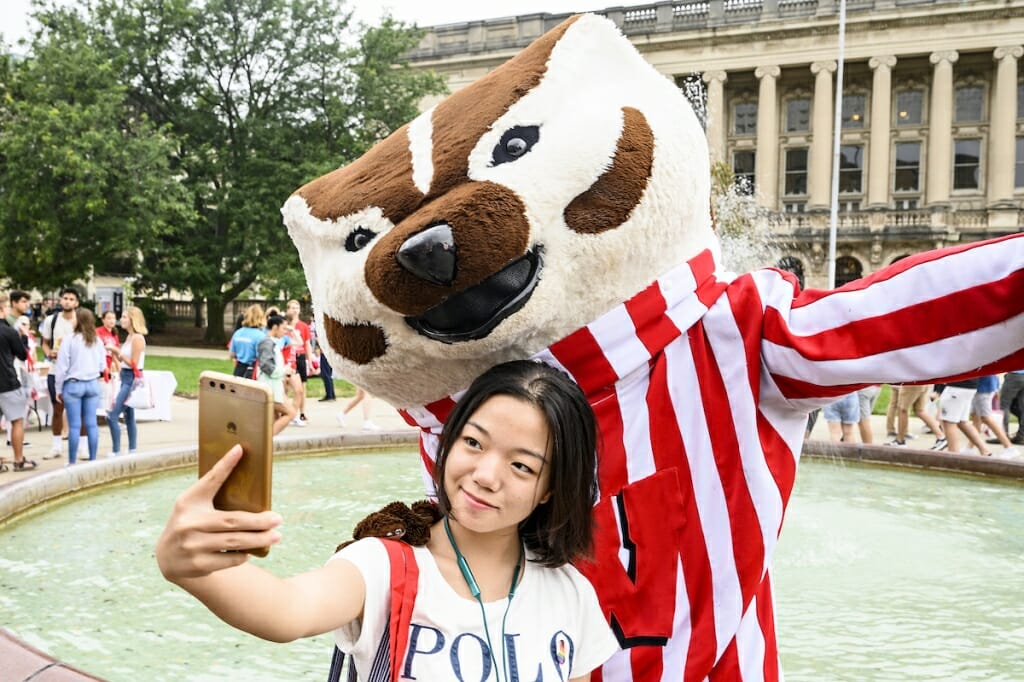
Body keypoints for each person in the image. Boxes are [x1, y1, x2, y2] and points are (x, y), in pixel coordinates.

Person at [156, 360, 619, 680]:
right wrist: (186, 565)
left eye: (522, 466)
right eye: (474, 443)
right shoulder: (385, 565)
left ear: (551, 488)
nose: (485, 475)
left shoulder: (568, 593)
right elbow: (287, 609)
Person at [54, 308, 106, 464]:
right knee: (92, 424)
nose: (72, 320)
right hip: (92, 384)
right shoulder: (97, 340)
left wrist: (58, 388)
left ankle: (71, 461)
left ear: (79, 320)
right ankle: (93, 459)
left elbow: (62, 367)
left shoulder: (70, 339)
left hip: (74, 384)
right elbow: (103, 365)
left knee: (75, 425)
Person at [40, 287, 79, 459]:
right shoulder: (51, 320)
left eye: (71, 299)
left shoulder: (80, 321)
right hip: (56, 370)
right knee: (57, 409)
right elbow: (45, 343)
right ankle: (56, 446)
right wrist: (49, 353)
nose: (68, 301)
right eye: (65, 298)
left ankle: (82, 445)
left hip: (76, 371)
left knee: (80, 410)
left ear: (76, 303)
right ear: (60, 301)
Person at [106, 306, 148, 456]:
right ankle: (132, 450)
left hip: (131, 379)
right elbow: (124, 361)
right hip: (125, 375)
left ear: (132, 319)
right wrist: (114, 353)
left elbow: (134, 364)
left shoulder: (137, 338)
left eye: (124, 317)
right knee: (129, 416)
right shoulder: (129, 338)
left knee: (112, 414)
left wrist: (117, 352)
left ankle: (116, 450)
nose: (121, 320)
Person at [0, 294, 33, 471]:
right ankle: (19, 460)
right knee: (16, 421)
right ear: (3, 309)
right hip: (7, 382)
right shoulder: (9, 331)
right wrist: (24, 337)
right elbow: (22, 354)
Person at [256, 314, 297, 435]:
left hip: (273, 386)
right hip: (270, 387)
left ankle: (267, 445)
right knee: (291, 413)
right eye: (283, 328)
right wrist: (284, 371)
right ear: (275, 327)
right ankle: (267, 443)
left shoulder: (271, 342)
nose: (285, 332)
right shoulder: (267, 342)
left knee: (274, 418)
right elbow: (266, 366)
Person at [935, 379, 991, 456]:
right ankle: (985, 450)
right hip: (969, 386)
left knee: (949, 422)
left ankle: (953, 455)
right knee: (962, 422)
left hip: (956, 387)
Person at [970, 375, 1018, 457]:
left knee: (986, 418)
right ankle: (970, 448)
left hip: (984, 387)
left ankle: (1009, 447)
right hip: (979, 386)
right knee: (976, 418)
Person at [285, 300, 313, 423]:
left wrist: (310, 360)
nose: (295, 310)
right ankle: (285, 411)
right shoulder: (284, 325)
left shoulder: (303, 326)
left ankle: (301, 412)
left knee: (302, 387)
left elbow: (307, 344)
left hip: (299, 356)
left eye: (297, 307)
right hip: (287, 357)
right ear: (288, 310)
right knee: (286, 386)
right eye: (293, 308)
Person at [228, 305, 265, 379]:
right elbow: (261, 357)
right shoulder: (261, 335)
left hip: (238, 370)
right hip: (253, 370)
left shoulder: (238, 333)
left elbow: (231, 354)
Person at [310, 317, 335, 402]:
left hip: (325, 353)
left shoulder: (324, 328)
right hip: (328, 353)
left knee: (326, 375)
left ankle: (329, 395)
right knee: (328, 375)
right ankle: (331, 394)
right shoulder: (328, 327)